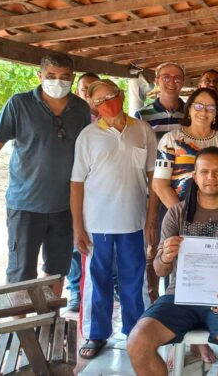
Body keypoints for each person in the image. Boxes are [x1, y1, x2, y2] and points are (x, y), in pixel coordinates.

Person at [0, 54, 90, 296]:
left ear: (72, 77)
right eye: (51, 76)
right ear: (40, 76)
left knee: (57, 271)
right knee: (21, 273)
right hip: (25, 204)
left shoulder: (81, 109)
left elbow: (88, 152)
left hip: (65, 206)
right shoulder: (19, 104)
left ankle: (47, 326)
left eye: (64, 77)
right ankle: (20, 329)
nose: (58, 81)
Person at [126, 147, 218, 376]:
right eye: (204, 171)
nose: (211, 177)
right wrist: (166, 256)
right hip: (179, 296)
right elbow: (159, 268)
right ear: (194, 177)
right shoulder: (177, 213)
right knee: (137, 341)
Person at [70, 80, 158, 359]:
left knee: (135, 279)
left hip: (134, 220)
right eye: (100, 100)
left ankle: (136, 332)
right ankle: (96, 334)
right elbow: (76, 183)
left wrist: (152, 217)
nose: (108, 102)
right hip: (96, 223)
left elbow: (154, 176)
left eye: (111, 95)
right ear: (94, 106)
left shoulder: (142, 130)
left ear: (120, 95)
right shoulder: (88, 136)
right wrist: (77, 227)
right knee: (98, 280)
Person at [135, 62, 186, 301]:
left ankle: (177, 298)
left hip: (184, 194)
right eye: (166, 76)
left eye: (177, 77)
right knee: (153, 248)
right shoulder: (142, 116)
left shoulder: (190, 113)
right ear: (157, 80)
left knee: (180, 248)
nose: (172, 81)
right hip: (155, 192)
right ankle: (154, 302)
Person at [153, 88, 218, 208]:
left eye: (210, 108)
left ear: (216, 113)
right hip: (176, 212)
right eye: (198, 106)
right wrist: (182, 216)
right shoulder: (171, 139)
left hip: (216, 214)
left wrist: (217, 211)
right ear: (189, 109)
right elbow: (160, 184)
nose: (203, 111)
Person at [66, 72, 100, 312]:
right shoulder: (72, 118)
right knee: (77, 244)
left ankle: (108, 288)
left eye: (93, 90)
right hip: (76, 188)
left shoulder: (113, 121)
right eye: (84, 88)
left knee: (101, 247)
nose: (89, 94)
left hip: (101, 196)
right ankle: (75, 291)